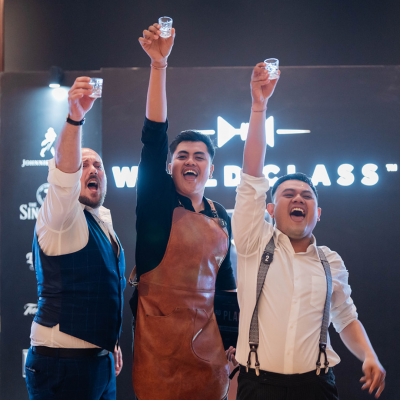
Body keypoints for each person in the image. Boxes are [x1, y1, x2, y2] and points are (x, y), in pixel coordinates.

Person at [230, 64, 386, 399]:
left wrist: (369, 355)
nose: (298, 198)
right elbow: (252, 174)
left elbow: (345, 317)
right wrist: (259, 107)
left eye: (307, 196)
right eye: (288, 194)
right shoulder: (253, 241)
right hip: (258, 387)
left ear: (318, 213)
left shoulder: (331, 262)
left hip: (317, 386)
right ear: (270, 210)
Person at [130, 23, 237, 400]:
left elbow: (226, 288)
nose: (190, 161)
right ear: (169, 165)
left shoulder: (220, 215)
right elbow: (154, 134)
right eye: (182, 156)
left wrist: (233, 348)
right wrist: (158, 66)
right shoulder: (156, 200)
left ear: (212, 168)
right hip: (156, 358)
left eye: (199, 156)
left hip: (210, 360)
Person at [25, 77, 126, 400]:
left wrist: (109, 343)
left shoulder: (102, 222)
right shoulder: (61, 215)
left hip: (101, 363)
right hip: (62, 366)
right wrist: (75, 118)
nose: (92, 169)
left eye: (98, 165)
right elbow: (63, 175)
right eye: (83, 165)